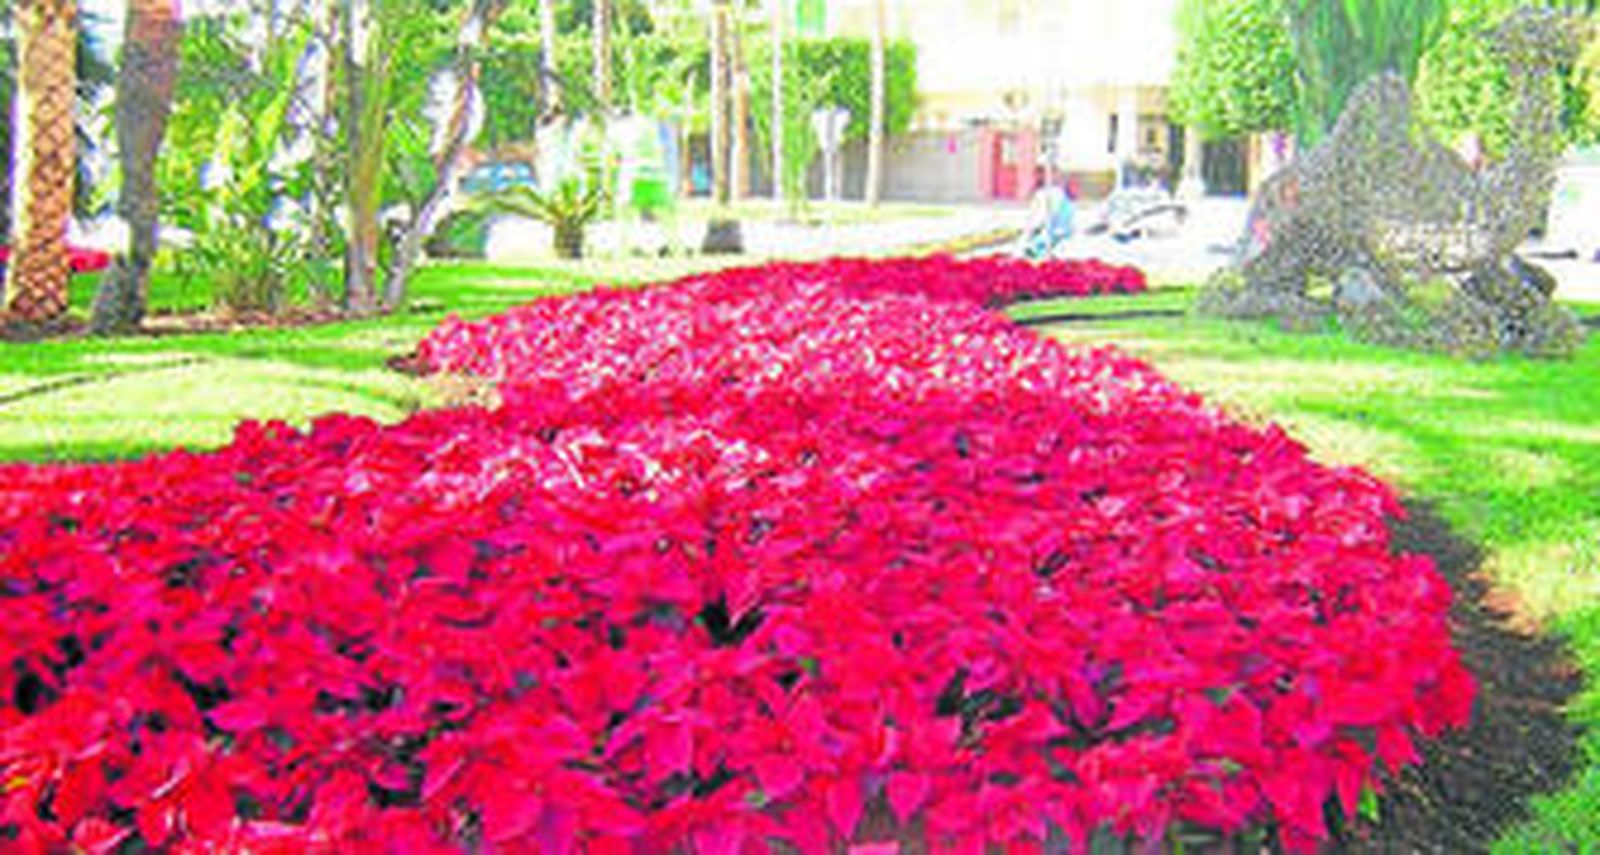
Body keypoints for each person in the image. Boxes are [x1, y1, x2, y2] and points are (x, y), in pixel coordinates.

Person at [1022, 175, 1075, 259]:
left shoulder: (1046, 194)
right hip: (1056, 232)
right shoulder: (1061, 196)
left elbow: (1039, 217)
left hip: (1054, 231)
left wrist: (1031, 230)